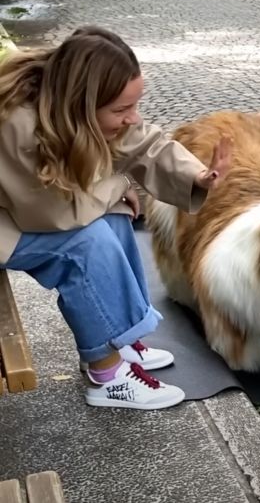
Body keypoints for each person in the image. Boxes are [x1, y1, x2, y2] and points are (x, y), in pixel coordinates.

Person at [0, 27, 232, 410]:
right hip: (12, 221)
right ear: (82, 103)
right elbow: (53, 216)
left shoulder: (65, 101)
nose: (132, 117)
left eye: (134, 104)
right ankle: (107, 377)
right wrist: (118, 181)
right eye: (122, 109)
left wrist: (197, 175)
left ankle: (117, 337)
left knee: (113, 218)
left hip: (23, 213)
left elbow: (142, 141)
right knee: (86, 243)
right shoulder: (18, 125)